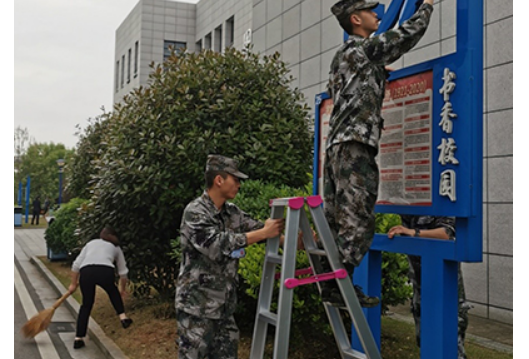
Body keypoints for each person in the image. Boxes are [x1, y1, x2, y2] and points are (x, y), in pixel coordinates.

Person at [322, 0, 435, 307]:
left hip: (335, 147)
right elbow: (403, 38)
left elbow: (354, 89)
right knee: (359, 216)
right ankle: (341, 280)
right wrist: (425, 7)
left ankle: (331, 283)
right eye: (372, 12)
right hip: (356, 145)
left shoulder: (342, 57)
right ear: (356, 19)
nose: (377, 15)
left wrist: (378, 75)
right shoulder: (364, 49)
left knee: (336, 217)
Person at [175, 155, 285, 359]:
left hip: (223, 311)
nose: (239, 185)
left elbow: (262, 229)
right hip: (196, 311)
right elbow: (215, 245)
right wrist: (263, 233)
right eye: (236, 179)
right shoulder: (195, 212)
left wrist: (295, 237)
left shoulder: (232, 213)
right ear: (219, 180)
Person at [388, 216, 472, 359]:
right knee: (425, 342)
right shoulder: (411, 207)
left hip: (445, 289)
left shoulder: (442, 199)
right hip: (421, 288)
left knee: (451, 346)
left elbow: (447, 233)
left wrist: (414, 232)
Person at [68, 226, 133, 350]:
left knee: (86, 304)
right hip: (105, 271)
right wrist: (122, 290)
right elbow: (123, 272)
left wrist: (73, 283)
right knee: (113, 292)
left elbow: (76, 265)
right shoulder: (116, 247)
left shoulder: (91, 243)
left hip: (86, 271)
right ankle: (123, 318)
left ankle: (78, 338)